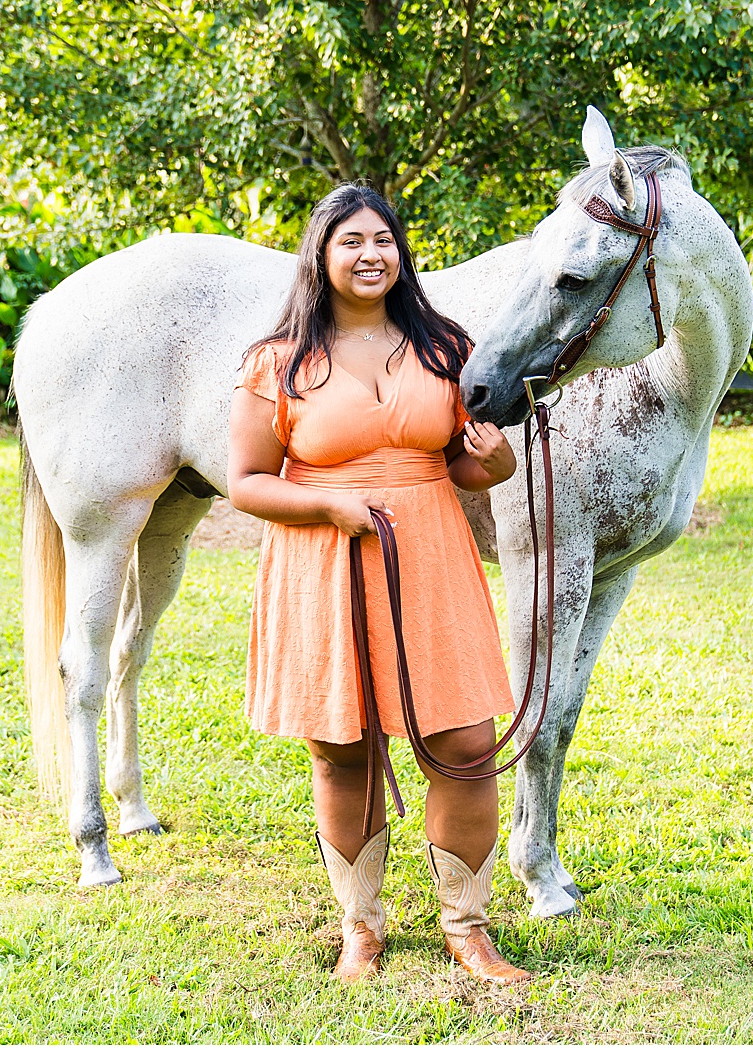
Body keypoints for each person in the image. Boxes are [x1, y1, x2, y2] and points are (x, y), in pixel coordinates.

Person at [227, 183, 531, 985]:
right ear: (320, 256)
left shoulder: (445, 347)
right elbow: (248, 481)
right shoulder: (277, 360)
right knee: (343, 747)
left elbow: (461, 461)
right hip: (322, 558)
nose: (371, 255)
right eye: (351, 241)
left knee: (465, 745)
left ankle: (468, 928)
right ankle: (360, 925)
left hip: (429, 550)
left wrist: (493, 463)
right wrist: (328, 502)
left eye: (384, 240)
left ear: (402, 252)